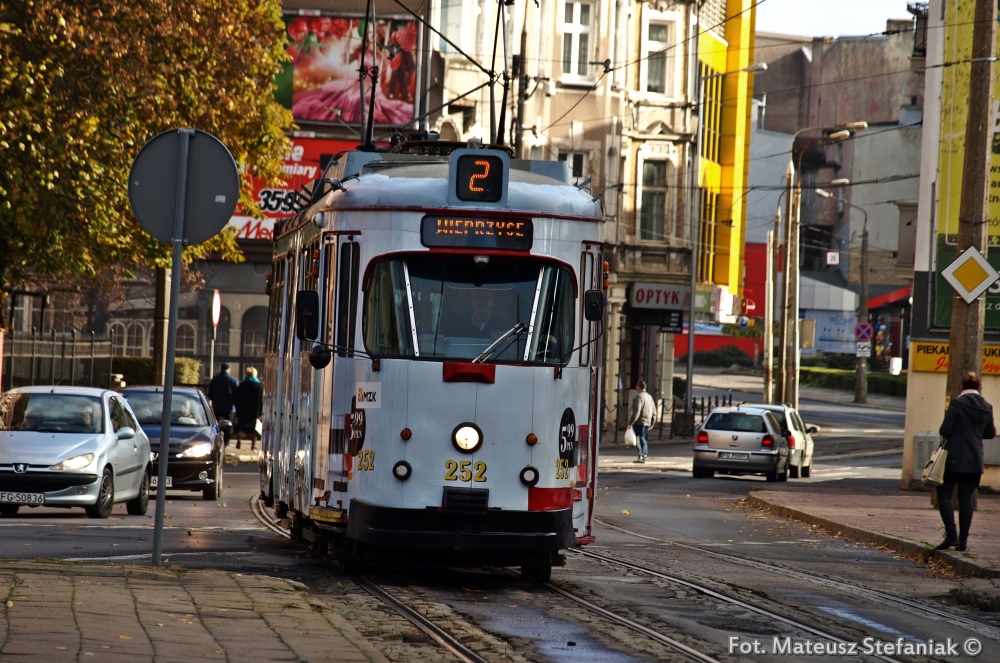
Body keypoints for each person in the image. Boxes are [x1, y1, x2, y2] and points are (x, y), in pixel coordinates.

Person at [936, 371, 994, 552]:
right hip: (975, 459)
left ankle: (951, 535)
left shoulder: (957, 403)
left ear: (962, 387)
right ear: (979, 388)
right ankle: (963, 541)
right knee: (966, 500)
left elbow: (945, 430)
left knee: (944, 494)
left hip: (954, 457)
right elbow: (990, 433)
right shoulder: (987, 406)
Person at [627, 380, 657, 463]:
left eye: (637, 386)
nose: (636, 387)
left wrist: (631, 421)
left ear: (640, 387)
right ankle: (644, 455)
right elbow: (654, 410)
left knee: (640, 438)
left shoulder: (639, 397)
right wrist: (653, 422)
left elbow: (637, 411)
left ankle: (642, 456)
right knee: (643, 438)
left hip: (640, 421)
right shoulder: (649, 397)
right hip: (647, 421)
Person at [234, 367, 264, 450]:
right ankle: (253, 444)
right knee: (254, 427)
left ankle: (239, 440)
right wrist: (261, 412)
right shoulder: (259, 386)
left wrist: (238, 408)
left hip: (243, 409)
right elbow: (261, 400)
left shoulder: (242, 385)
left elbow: (236, 397)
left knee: (241, 425)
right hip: (255, 410)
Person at [208, 363, 239, 443]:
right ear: (229, 370)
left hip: (217, 405)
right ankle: (227, 441)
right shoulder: (233, 380)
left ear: (220, 369)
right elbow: (237, 393)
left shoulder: (215, 379)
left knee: (216, 424)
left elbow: (210, 392)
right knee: (228, 424)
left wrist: (214, 400)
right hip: (229, 406)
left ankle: (216, 440)